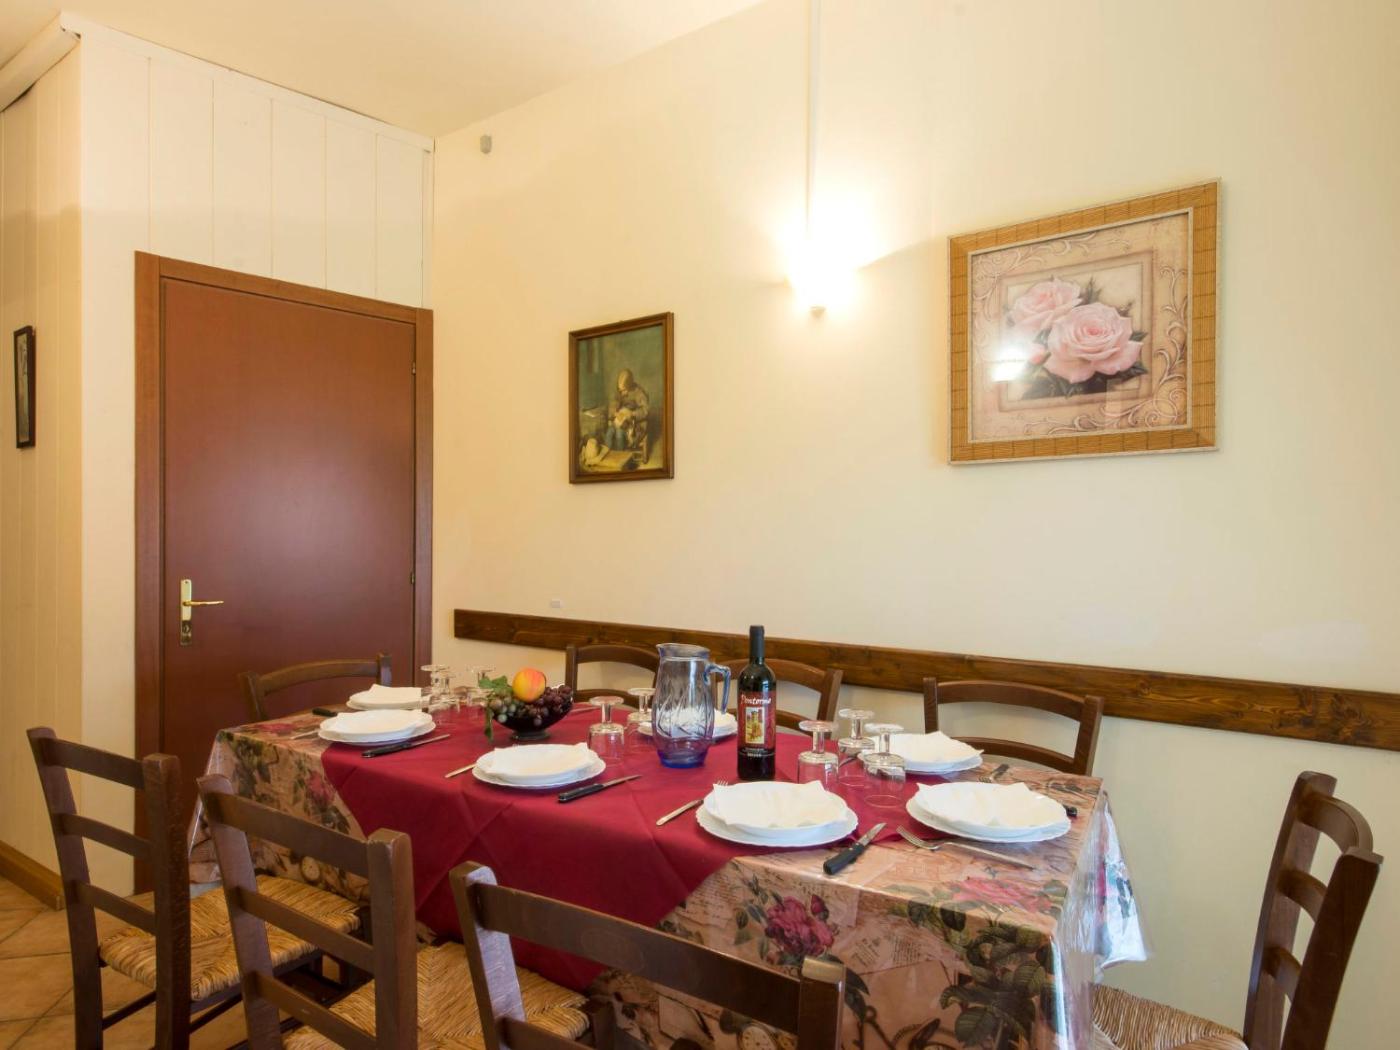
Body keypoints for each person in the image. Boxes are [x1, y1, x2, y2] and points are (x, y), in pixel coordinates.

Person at [602, 369, 649, 451]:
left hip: (635, 424)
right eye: (620, 390)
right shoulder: (620, 391)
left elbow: (645, 411)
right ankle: (607, 454)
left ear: (630, 386)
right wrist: (614, 411)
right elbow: (614, 403)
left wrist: (632, 413)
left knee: (619, 433)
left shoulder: (639, 393)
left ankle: (621, 455)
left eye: (624, 390)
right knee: (609, 432)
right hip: (621, 421)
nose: (622, 393)